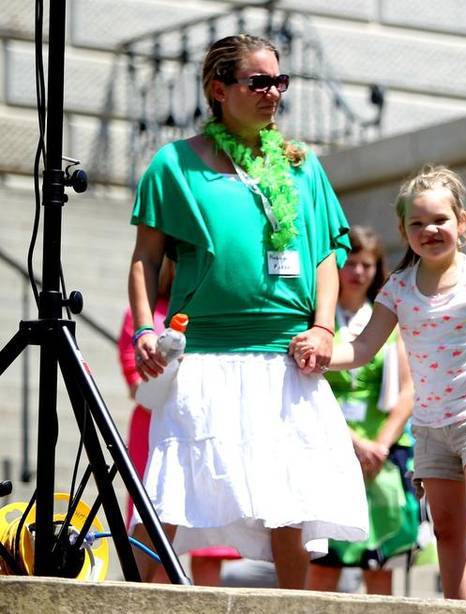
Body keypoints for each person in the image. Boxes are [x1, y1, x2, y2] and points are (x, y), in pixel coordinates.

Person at [127, 34, 367, 589]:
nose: (273, 93)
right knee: (170, 490)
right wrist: (143, 328)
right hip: (204, 352)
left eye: (279, 81)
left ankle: (293, 606)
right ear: (219, 89)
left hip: (286, 354)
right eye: (258, 82)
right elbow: (145, 258)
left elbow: (326, 255)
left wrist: (323, 328)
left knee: (290, 498)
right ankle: (131, 600)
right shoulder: (174, 164)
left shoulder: (302, 165)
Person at [301, 165, 466, 599]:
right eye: (417, 223)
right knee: (448, 530)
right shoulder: (397, 288)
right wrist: (320, 351)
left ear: (461, 222)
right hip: (430, 427)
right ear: (403, 231)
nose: (429, 230)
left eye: (440, 220)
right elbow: (362, 347)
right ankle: (458, 609)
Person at [306, 226, 420, 595]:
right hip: (329, 447)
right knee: (323, 565)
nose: (358, 272)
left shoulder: (386, 319)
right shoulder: (317, 321)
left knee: (380, 565)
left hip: (382, 456)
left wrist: (380, 446)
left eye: (366, 265)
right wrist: (354, 444)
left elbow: (408, 390)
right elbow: (307, 389)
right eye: (350, 263)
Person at [117, 259, 241, 586]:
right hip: (155, 429)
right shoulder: (145, 316)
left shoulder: (215, 313)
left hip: (207, 423)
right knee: (155, 525)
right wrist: (169, 368)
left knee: (210, 544)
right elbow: (135, 385)